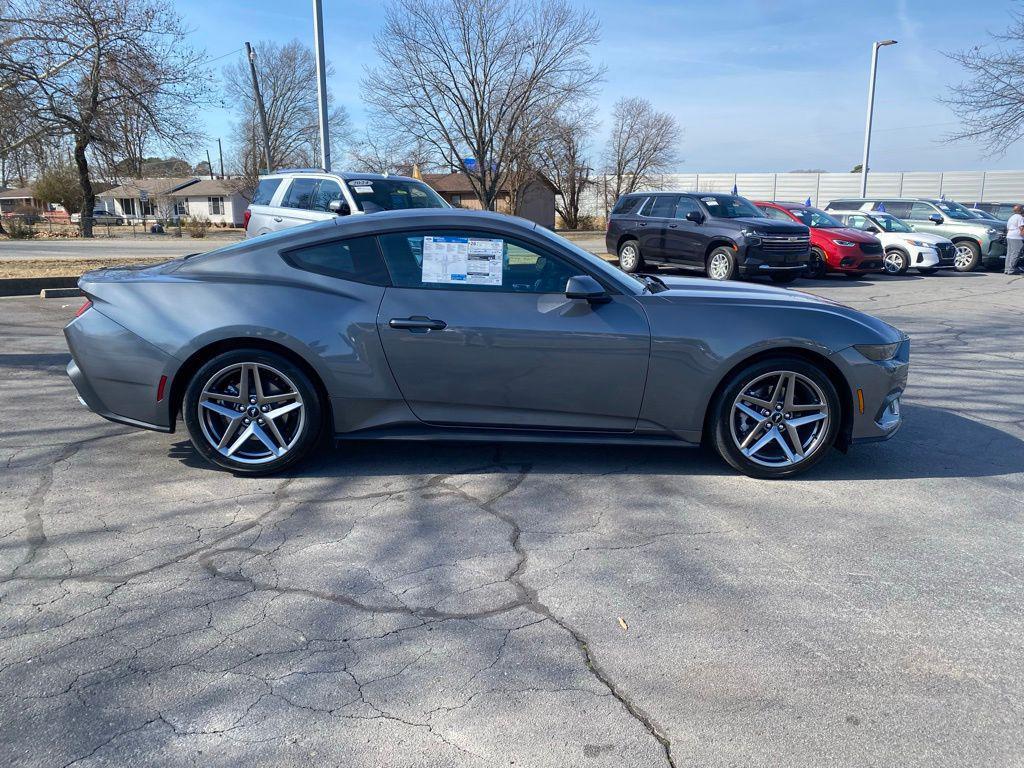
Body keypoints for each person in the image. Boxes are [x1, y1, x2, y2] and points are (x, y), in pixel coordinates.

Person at [1006, 204, 1024, 274]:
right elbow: (1021, 228)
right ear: (1021, 210)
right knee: (1016, 253)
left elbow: (1008, 228)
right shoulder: (1020, 218)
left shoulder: (1011, 217)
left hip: (1009, 236)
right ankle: (1011, 269)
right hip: (1017, 237)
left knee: (1009, 253)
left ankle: (1007, 269)